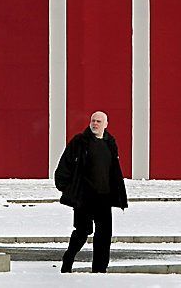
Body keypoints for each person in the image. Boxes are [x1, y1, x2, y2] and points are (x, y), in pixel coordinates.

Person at [54, 111, 128, 273]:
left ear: (106, 124)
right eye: (93, 121)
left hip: (104, 197)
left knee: (104, 234)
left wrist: (118, 193)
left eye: (99, 121)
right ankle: (69, 258)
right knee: (82, 231)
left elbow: (114, 170)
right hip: (84, 197)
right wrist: (66, 188)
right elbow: (64, 166)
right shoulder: (80, 142)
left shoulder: (110, 143)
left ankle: (100, 270)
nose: (95, 124)